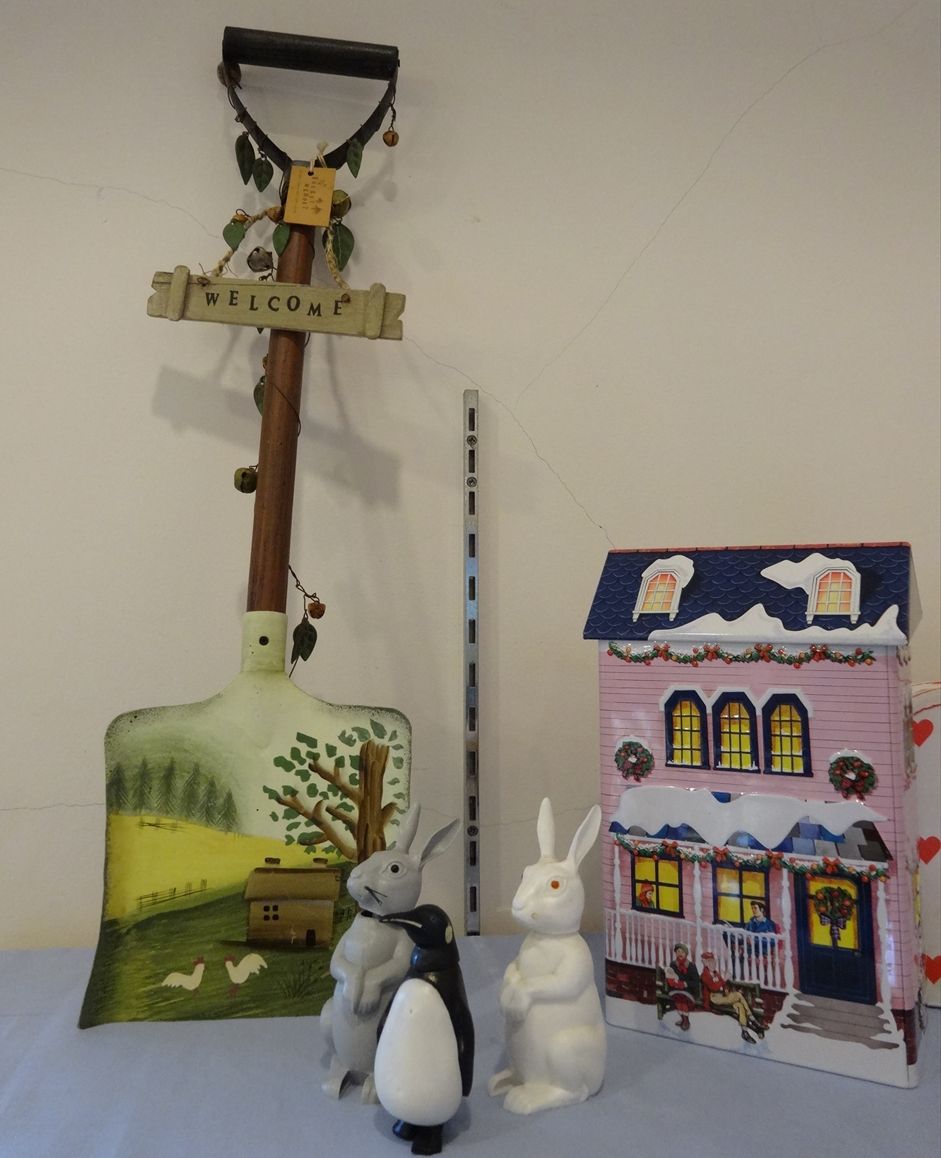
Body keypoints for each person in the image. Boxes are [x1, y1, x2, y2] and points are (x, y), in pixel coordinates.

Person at [700, 951, 765, 1044]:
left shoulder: (716, 973)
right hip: (714, 998)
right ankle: (753, 1020)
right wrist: (724, 979)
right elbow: (714, 987)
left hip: (722, 996)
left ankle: (744, 1032)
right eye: (709, 961)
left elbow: (723, 985)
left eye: (713, 961)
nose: (713, 963)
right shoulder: (705, 975)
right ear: (705, 963)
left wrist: (726, 989)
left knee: (740, 1005)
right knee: (738, 995)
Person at [664, 942, 700, 1031]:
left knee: (682, 998)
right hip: (676, 989)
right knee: (678, 998)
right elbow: (671, 976)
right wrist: (673, 982)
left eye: (682, 952)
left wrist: (685, 983)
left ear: (686, 954)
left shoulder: (691, 966)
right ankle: (683, 1018)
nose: (680, 954)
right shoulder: (673, 964)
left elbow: (696, 982)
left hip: (688, 990)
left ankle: (686, 1020)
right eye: (678, 952)